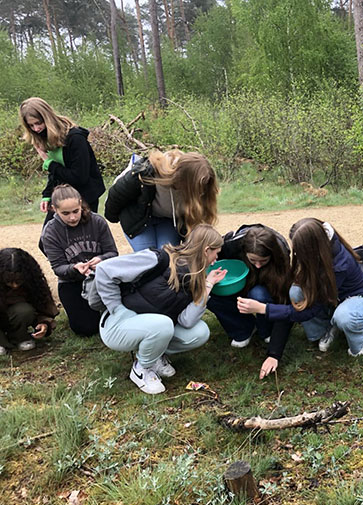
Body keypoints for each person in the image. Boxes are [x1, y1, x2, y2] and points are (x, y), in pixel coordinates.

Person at [95, 224, 227, 395]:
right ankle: (141, 368)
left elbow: (186, 321)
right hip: (118, 324)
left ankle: (154, 355)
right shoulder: (158, 258)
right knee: (164, 324)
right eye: (216, 253)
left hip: (152, 326)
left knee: (200, 332)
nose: (216, 259)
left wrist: (208, 285)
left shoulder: (196, 276)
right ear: (206, 250)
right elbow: (103, 270)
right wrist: (118, 309)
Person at [237, 218, 363, 378]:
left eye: (299, 250)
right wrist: (274, 354)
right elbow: (303, 302)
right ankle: (330, 326)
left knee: (347, 324)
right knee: (296, 293)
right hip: (333, 300)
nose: (295, 254)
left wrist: (262, 308)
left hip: (359, 299)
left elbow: (306, 311)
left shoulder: (338, 266)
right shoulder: (322, 252)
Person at [207, 225, 293, 366]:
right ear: (244, 251)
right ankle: (242, 328)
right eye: (253, 260)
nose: (258, 265)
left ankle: (266, 330)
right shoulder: (230, 246)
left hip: (265, 287)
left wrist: (274, 353)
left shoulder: (281, 254)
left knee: (258, 294)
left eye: (263, 261)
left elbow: (285, 303)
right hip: (240, 280)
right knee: (209, 294)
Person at [41, 184, 118, 336]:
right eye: (66, 213)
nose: (73, 217)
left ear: (81, 204)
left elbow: (112, 253)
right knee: (86, 329)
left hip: (102, 278)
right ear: (54, 210)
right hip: (72, 283)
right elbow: (58, 268)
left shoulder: (97, 221)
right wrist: (74, 268)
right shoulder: (50, 232)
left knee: (116, 317)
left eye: (76, 211)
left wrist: (101, 259)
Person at [104, 149, 219, 251]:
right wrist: (113, 217)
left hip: (167, 220)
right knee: (148, 260)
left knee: (167, 257)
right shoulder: (146, 172)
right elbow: (117, 194)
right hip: (139, 219)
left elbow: (199, 222)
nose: (201, 191)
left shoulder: (203, 186)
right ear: (185, 180)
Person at [19, 97, 105, 226]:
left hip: (85, 196)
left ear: (47, 118)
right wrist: (47, 195)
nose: (36, 129)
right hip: (62, 195)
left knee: (81, 243)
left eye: (38, 123)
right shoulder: (45, 137)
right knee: (46, 241)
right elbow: (56, 172)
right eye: (31, 126)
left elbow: (79, 177)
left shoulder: (75, 138)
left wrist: (48, 163)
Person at [0, 248, 58, 355]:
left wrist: (44, 323)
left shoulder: (34, 282)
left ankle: (20, 337)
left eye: (18, 281)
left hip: (16, 318)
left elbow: (43, 305)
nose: (15, 286)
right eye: (9, 281)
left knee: (24, 311)